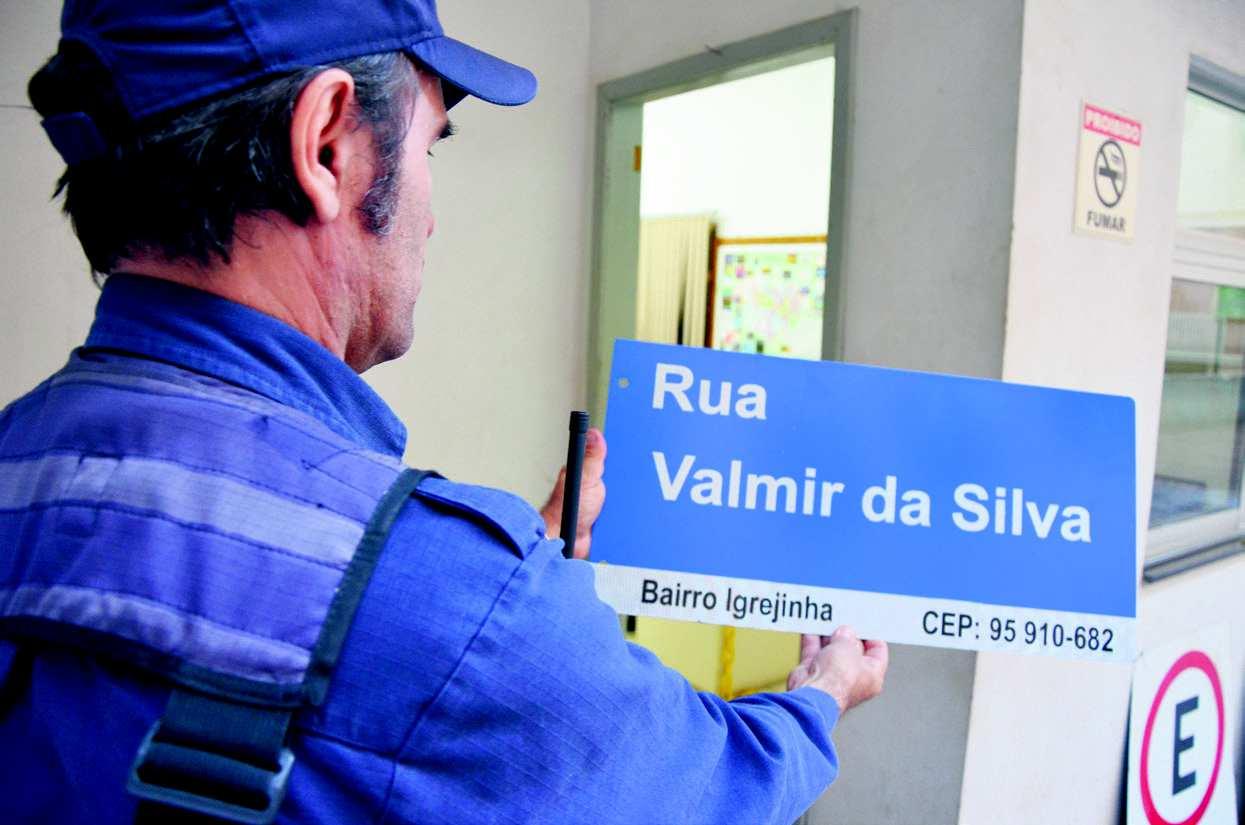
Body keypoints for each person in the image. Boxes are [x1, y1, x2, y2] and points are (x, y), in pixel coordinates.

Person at [0, 1, 889, 823]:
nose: (429, 220)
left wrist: (513, 587)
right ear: (326, 145)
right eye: (432, 145)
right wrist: (819, 692)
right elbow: (702, 785)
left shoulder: (18, 453)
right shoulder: (451, 599)